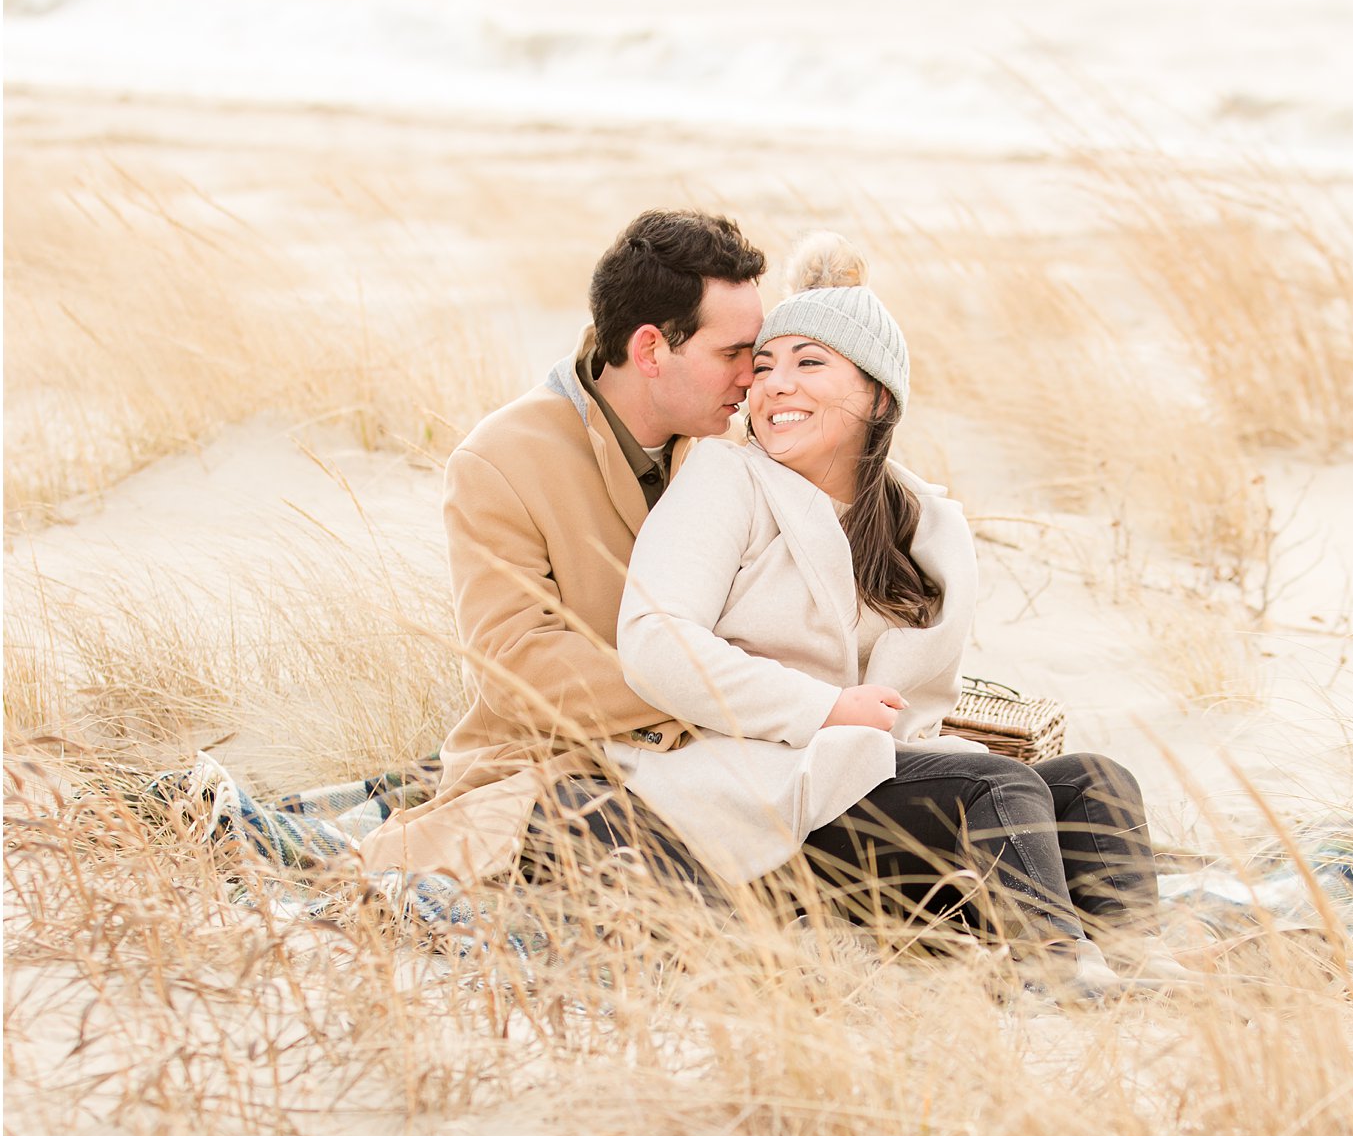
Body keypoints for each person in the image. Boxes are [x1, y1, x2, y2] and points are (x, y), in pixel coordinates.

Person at [616, 235, 1185, 998]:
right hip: (753, 789)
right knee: (996, 786)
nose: (774, 385)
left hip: (865, 790)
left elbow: (913, 712)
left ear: (879, 395)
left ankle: (1142, 961)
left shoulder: (918, 521)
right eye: (763, 366)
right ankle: (1058, 971)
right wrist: (826, 709)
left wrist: (879, 732)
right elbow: (654, 642)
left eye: (809, 363)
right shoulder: (727, 479)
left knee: (1094, 781)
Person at [356, 207, 766, 889]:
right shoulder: (498, 460)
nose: (753, 376)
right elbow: (522, 668)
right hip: (551, 780)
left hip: (720, 766)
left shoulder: (732, 449)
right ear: (650, 351)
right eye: (733, 353)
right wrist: (730, 689)